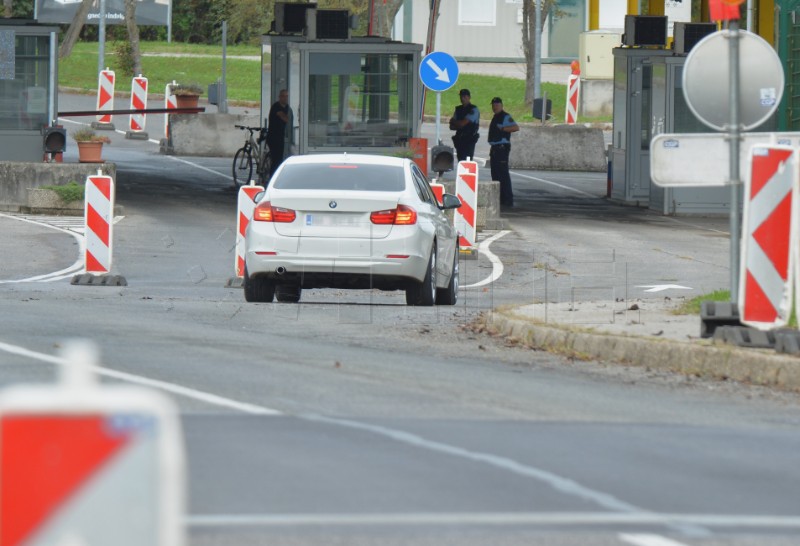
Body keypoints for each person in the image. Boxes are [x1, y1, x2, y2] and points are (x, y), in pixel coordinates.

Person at [487, 96, 519, 208]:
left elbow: (515, 127)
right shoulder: (495, 117)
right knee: (495, 174)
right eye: (493, 104)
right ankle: (499, 199)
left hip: (501, 148)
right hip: (495, 149)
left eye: (497, 104)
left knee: (503, 174)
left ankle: (507, 199)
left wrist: (503, 129)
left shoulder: (505, 116)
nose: (494, 106)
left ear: (501, 105)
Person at [449, 88, 480, 162]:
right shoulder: (458, 109)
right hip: (460, 139)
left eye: (465, 97)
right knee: (461, 160)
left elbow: (461, 123)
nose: (463, 99)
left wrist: (455, 122)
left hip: (469, 139)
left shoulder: (473, 109)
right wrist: (458, 124)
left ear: (469, 97)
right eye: (461, 97)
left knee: (467, 161)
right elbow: (451, 126)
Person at [266, 89, 292, 177]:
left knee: (280, 158)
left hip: (281, 137)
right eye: (283, 96)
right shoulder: (276, 106)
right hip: (273, 137)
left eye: (287, 96)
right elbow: (285, 118)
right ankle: (272, 177)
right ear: (280, 97)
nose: (285, 98)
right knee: (276, 159)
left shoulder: (287, 107)